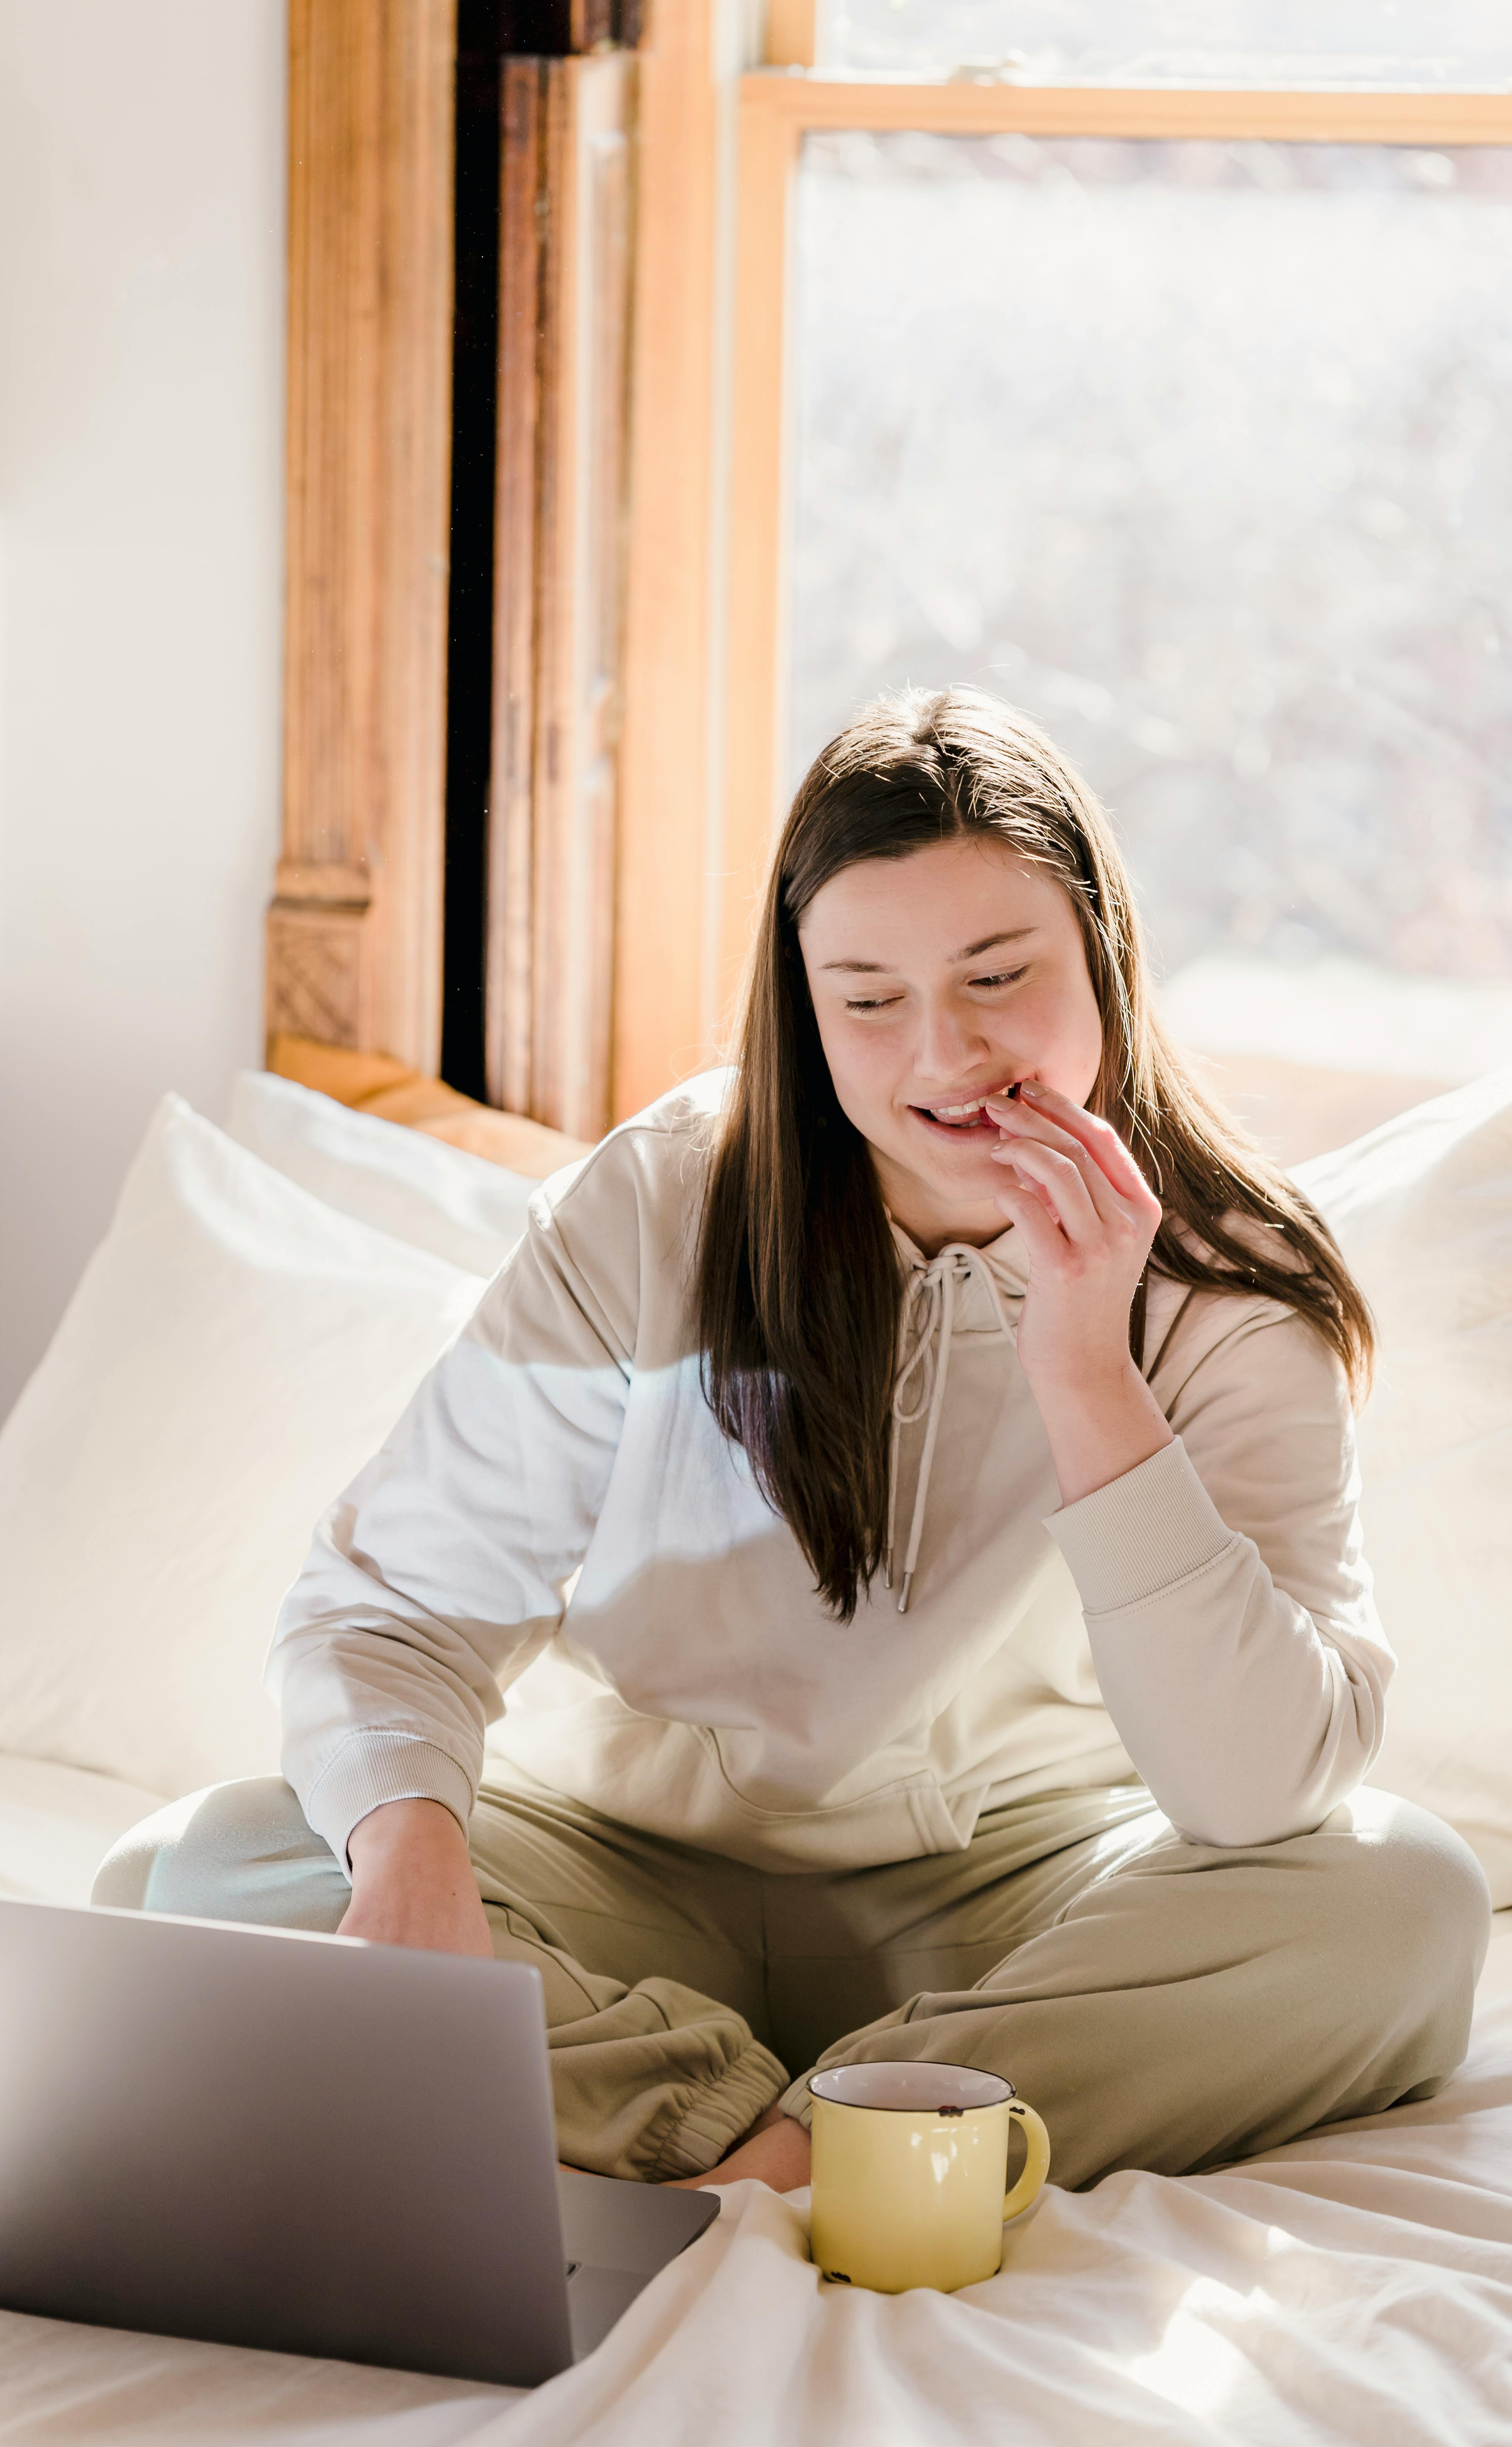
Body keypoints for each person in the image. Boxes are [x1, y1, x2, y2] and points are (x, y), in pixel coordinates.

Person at [97, 687, 1488, 2196]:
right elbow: (396, 1604)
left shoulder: (1231, 1284)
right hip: (624, 1870)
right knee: (192, 1875)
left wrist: (1088, 1366)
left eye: (996, 976)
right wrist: (416, 1873)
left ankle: (783, 2145)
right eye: (868, 999)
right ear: (803, 1006)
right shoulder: (662, 1201)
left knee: (1398, 1898)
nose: (942, 1054)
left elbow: (1253, 1795)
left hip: (1015, 1898)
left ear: (1103, 964)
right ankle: (811, 2142)